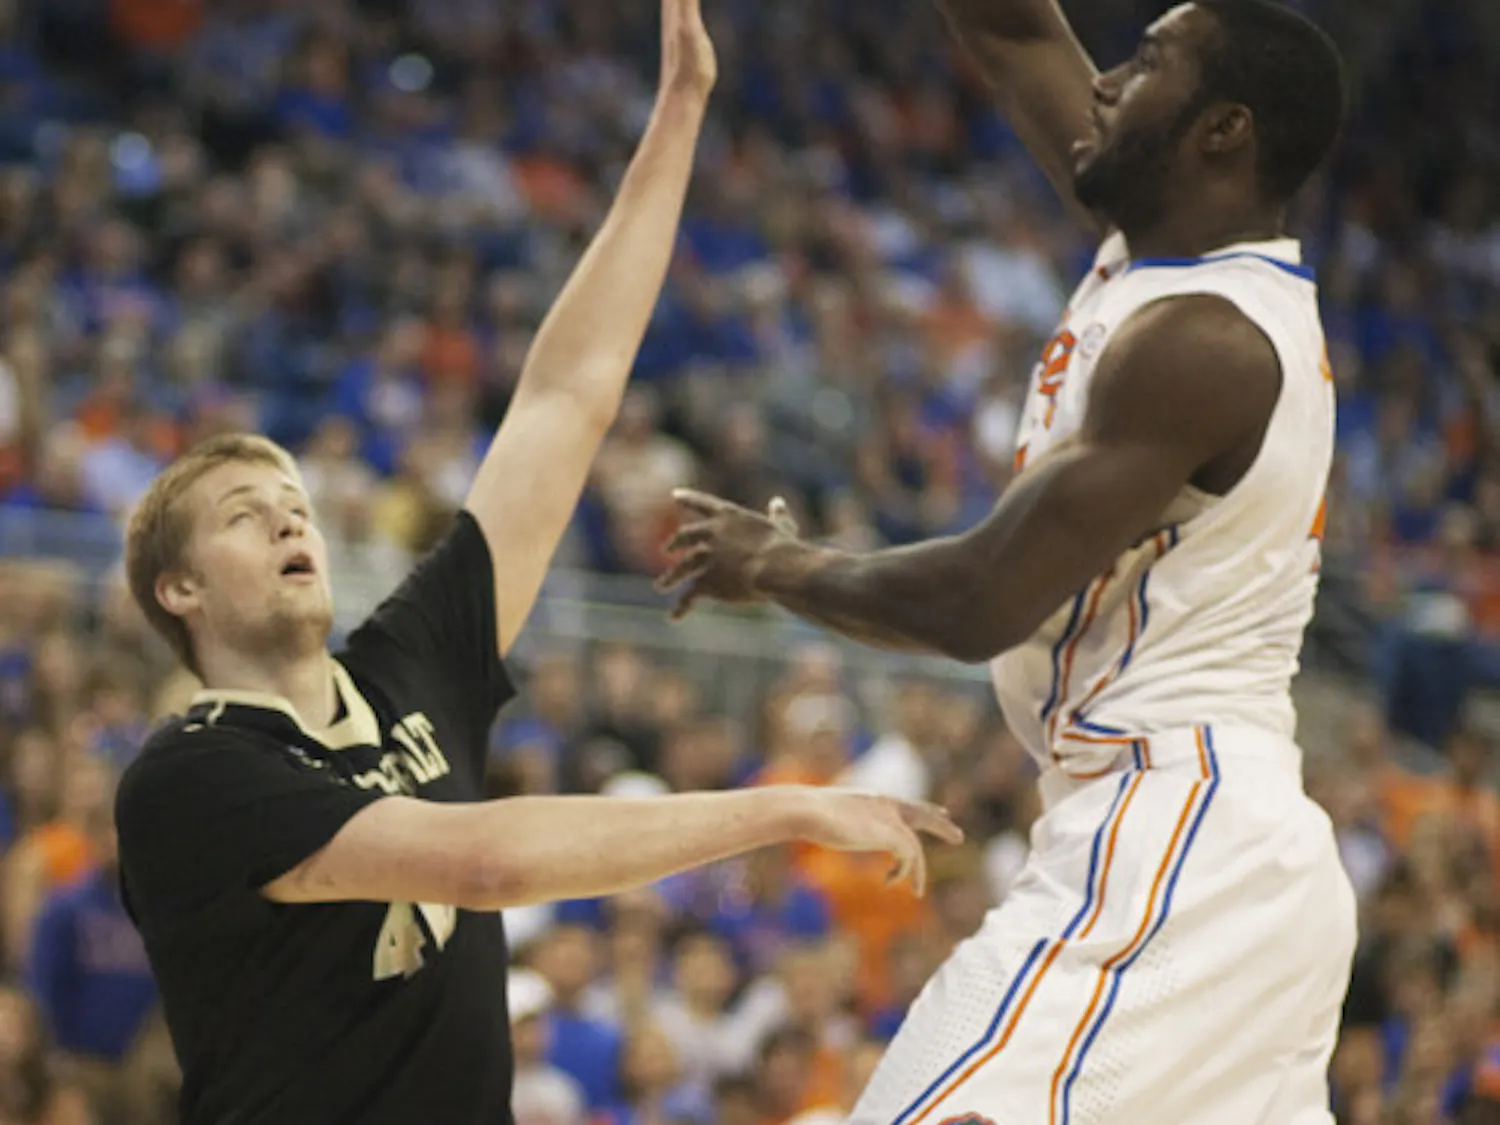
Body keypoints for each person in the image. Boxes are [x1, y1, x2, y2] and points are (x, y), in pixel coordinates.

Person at [111, 2, 962, 1123]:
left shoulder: (408, 667)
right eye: (242, 515)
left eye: (293, 504)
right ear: (179, 591)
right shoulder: (189, 774)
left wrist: (677, 118)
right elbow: (486, 864)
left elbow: (568, 397)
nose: (287, 523)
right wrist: (780, 810)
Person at [658, 1, 1356, 1122]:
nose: (1105, 84)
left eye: (1145, 63)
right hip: (1216, 852)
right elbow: (1014, 29)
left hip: (1174, 841)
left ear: (1221, 131)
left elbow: (985, 596)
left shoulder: (1201, 341)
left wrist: (776, 565)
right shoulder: (1161, 265)